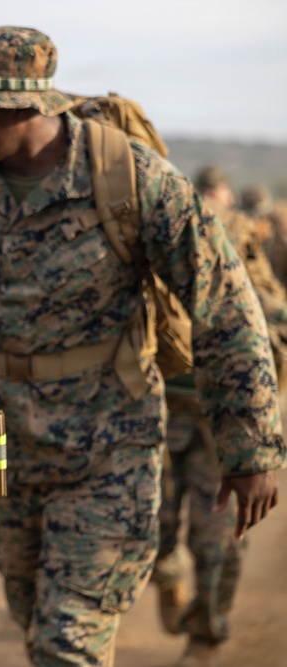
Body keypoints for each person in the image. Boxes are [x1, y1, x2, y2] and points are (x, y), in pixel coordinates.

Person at [0, 27, 285, 667]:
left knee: (66, 641)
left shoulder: (129, 176)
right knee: (32, 615)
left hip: (110, 447)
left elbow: (224, 305)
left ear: (20, 107)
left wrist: (252, 445)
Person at [150, 166, 287, 666]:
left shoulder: (243, 275)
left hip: (217, 422)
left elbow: (270, 326)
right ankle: (166, 576)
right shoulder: (151, 255)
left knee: (218, 539)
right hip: (157, 411)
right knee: (147, 526)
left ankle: (205, 636)